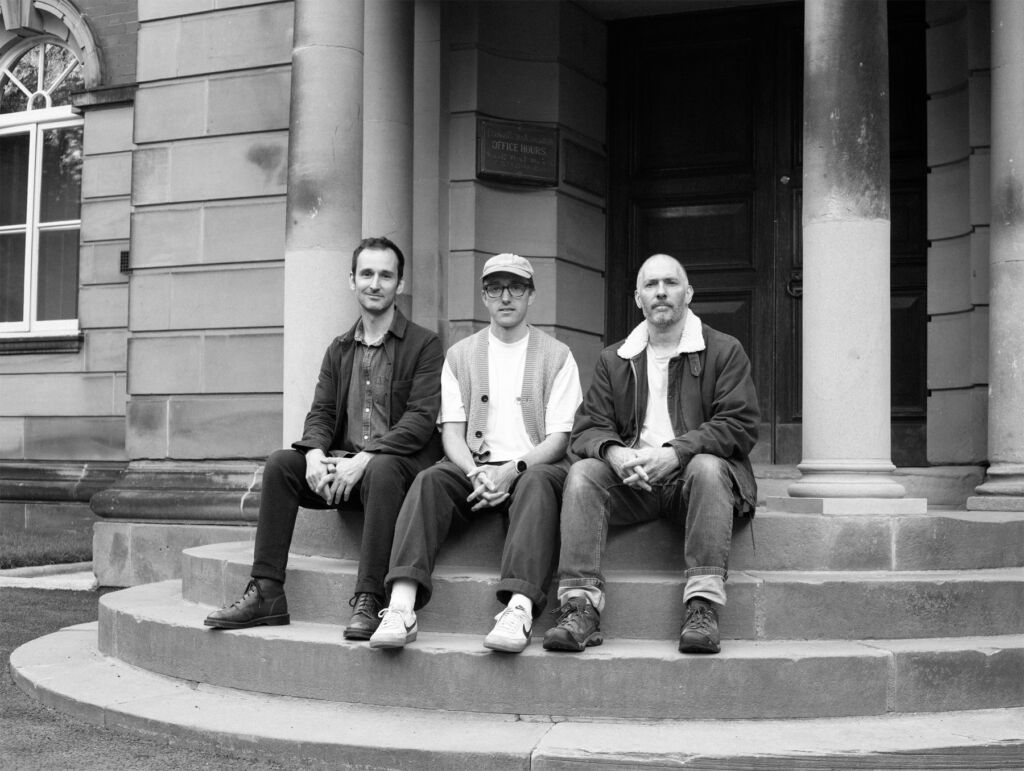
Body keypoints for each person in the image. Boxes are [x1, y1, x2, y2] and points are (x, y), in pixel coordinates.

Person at [205, 236, 444, 640]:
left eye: (386, 275)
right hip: (342, 467)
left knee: (383, 467)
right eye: (366, 273)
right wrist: (315, 454)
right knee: (284, 463)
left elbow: (420, 420)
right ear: (351, 280)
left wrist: (364, 459)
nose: (375, 283)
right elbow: (321, 412)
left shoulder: (425, 345)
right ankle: (266, 592)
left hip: (392, 472)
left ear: (399, 284)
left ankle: (370, 599)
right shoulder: (338, 349)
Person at [543, 253, 759, 655]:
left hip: (693, 486)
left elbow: (740, 424)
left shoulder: (724, 350)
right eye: (651, 285)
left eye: (671, 283)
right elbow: (589, 426)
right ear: (638, 298)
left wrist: (675, 453)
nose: (661, 292)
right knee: (584, 472)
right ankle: (579, 607)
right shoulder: (615, 358)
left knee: (709, 467)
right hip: (633, 483)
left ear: (688, 293)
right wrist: (615, 453)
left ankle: (703, 607)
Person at [368, 253, 583, 653]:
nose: (506, 297)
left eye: (516, 287)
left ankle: (518, 609)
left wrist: (512, 470)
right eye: (495, 288)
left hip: (532, 467)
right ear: (484, 297)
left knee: (537, 482)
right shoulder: (461, 355)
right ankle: (400, 605)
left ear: (531, 295)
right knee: (429, 479)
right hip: (474, 468)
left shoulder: (558, 356)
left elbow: (558, 441)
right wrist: (473, 472)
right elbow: (452, 434)